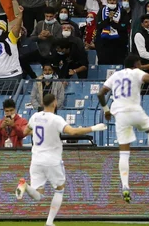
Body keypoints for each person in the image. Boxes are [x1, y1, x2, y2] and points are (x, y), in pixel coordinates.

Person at [15, 93, 107, 224]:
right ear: (54, 103)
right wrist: (93, 128)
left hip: (36, 160)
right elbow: (72, 132)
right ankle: (49, 221)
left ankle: (25, 185)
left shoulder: (35, 117)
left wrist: (36, 131)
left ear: (43, 103)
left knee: (38, 195)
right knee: (59, 189)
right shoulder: (56, 119)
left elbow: (24, 132)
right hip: (52, 160)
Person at [97, 55, 149, 203]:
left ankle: (125, 186)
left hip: (119, 114)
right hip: (134, 110)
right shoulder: (136, 72)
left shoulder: (115, 75)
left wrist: (106, 110)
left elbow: (100, 93)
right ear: (136, 64)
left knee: (124, 152)